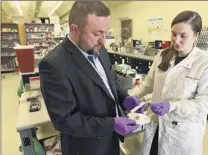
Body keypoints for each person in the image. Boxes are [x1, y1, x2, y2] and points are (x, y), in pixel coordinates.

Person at [39, 2, 143, 155]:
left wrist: (124, 98)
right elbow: (65, 120)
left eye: (105, 32)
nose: (104, 40)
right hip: (86, 148)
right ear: (75, 29)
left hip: (111, 141)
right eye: (97, 33)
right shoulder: (53, 65)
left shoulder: (100, 50)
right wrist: (111, 124)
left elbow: (110, 80)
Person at [129, 11, 208, 155]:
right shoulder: (162, 55)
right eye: (173, 34)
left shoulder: (206, 63)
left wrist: (173, 106)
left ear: (196, 36)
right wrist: (134, 96)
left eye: (183, 36)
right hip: (155, 124)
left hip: (181, 132)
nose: (176, 40)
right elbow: (148, 84)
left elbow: (205, 103)